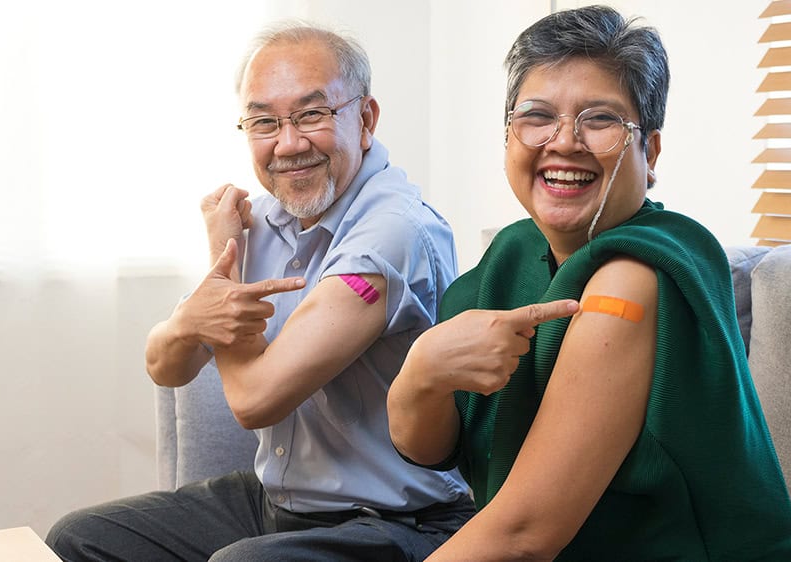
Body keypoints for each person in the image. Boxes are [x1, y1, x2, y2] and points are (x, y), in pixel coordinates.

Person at [46, 20, 473, 561]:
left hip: (396, 522)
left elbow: (256, 401)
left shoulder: (393, 231)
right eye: (264, 122)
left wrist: (221, 286)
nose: (288, 144)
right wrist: (205, 297)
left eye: (312, 114)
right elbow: (165, 364)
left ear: (365, 119)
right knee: (78, 538)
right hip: (276, 502)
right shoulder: (265, 221)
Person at [386, 5, 791, 561]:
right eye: (537, 116)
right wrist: (423, 373)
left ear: (649, 153)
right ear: (508, 135)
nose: (564, 142)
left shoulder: (638, 275)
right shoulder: (513, 253)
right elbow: (428, 448)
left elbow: (524, 534)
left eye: (599, 119)